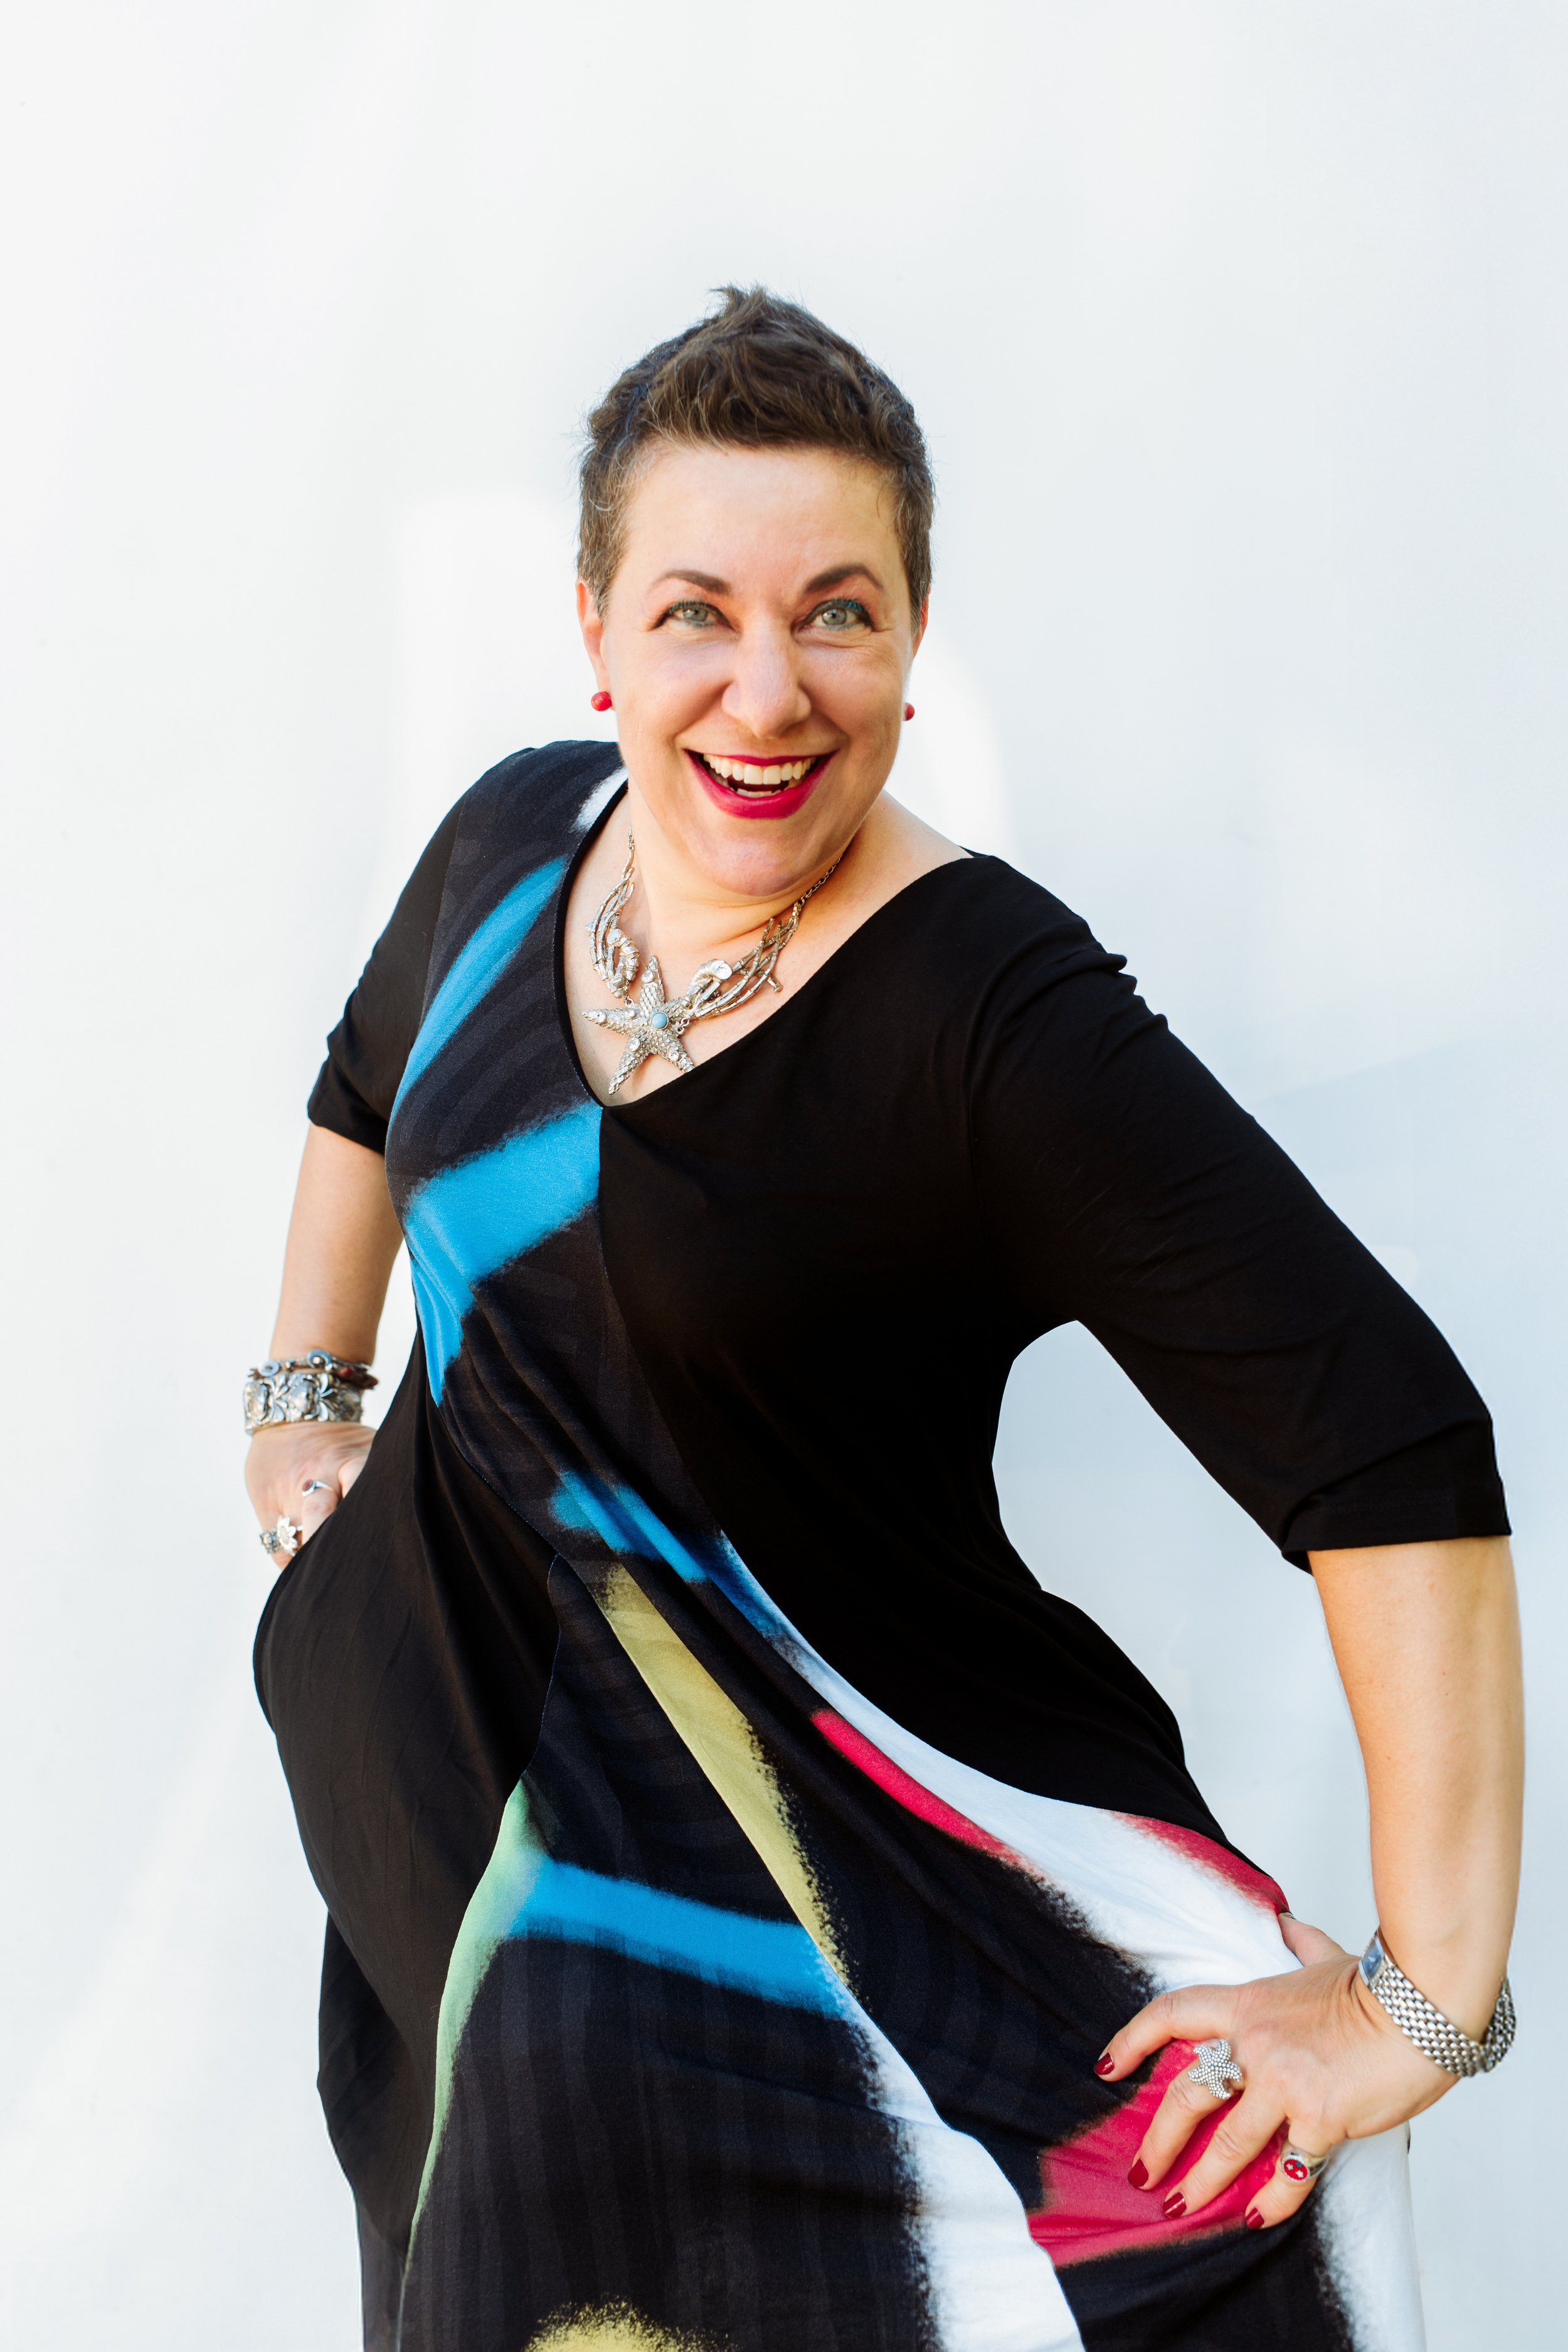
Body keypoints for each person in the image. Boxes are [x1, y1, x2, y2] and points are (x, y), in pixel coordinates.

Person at [246, 287, 1522, 2352]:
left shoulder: (988, 1018)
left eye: (834, 614)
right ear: (593, 629)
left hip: (833, 1923)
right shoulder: (512, 843)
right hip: (462, 1880)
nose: (765, 693)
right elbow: (367, 1075)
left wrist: (1419, 1998)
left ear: (915, 641)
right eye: (696, 614)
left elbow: (1388, 1440)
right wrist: (304, 1396)